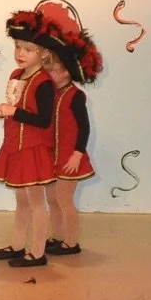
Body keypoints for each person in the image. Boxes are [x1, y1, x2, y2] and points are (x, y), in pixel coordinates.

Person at [0, 10, 61, 268]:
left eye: (28, 49)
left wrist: (14, 112)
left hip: (33, 149)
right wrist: (4, 110)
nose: (20, 53)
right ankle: (18, 245)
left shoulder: (43, 82)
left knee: (36, 202)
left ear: (43, 53)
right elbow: (16, 107)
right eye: (18, 47)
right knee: (21, 200)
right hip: (15, 147)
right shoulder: (15, 76)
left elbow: (43, 120)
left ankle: (38, 252)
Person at [46, 23, 102, 257]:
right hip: (53, 156)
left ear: (66, 72)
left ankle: (71, 242)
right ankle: (58, 236)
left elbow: (84, 127)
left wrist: (78, 153)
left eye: (52, 70)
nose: (48, 74)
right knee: (52, 199)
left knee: (64, 199)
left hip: (70, 157)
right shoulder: (53, 94)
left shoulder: (75, 96)